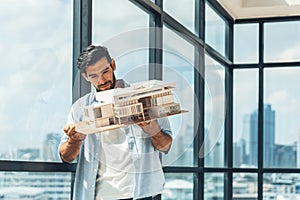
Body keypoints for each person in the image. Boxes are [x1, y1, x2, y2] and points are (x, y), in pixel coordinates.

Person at [59, 45, 173, 200]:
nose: (101, 80)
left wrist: (153, 129)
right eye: (93, 76)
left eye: (105, 71)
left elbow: (166, 146)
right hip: (98, 195)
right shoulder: (79, 108)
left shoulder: (144, 97)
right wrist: (75, 141)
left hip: (141, 193)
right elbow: (66, 157)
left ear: (113, 65)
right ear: (86, 77)